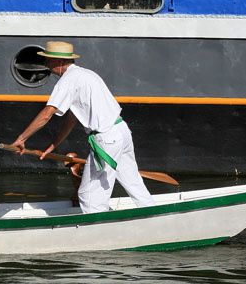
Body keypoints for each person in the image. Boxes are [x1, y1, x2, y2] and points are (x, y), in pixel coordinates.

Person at [9, 40, 154, 214]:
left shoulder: (68, 81)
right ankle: (155, 216)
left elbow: (47, 114)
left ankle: (98, 231)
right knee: (133, 182)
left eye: (48, 60)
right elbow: (73, 117)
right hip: (121, 131)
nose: (46, 65)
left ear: (59, 62)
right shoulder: (87, 75)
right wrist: (54, 145)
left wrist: (21, 139)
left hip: (106, 139)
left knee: (88, 195)